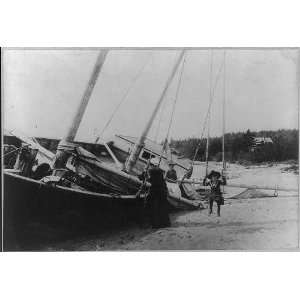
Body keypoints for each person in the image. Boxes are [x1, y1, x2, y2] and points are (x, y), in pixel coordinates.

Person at [144, 158, 171, 228]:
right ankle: (165, 224)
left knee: (154, 208)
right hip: (162, 192)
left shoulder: (151, 171)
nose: (148, 166)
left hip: (156, 192)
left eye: (149, 165)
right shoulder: (159, 171)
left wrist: (146, 176)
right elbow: (161, 181)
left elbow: (151, 181)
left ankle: (156, 225)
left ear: (151, 165)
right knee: (162, 208)